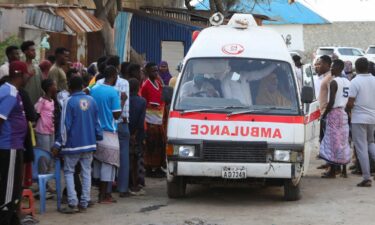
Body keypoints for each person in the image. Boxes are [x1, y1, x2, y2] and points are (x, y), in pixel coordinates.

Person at [53, 76, 102, 213]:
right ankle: (84, 202)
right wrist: (97, 137)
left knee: (69, 171)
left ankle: (72, 202)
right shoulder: (91, 101)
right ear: (82, 86)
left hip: (73, 144)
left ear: (69, 87)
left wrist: (58, 144)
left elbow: (64, 126)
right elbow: (97, 122)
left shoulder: (68, 102)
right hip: (89, 143)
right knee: (86, 172)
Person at [94, 56, 130, 197]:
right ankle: (121, 189)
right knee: (117, 159)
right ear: (115, 73)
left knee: (101, 159)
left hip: (98, 127)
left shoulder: (97, 85)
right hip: (116, 125)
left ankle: (105, 190)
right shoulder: (120, 86)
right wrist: (122, 101)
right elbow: (119, 113)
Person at [0, 61, 28, 225]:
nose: (28, 78)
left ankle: (12, 220)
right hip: (9, 146)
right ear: (20, 75)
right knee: (9, 190)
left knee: (13, 188)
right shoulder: (10, 92)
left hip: (13, 145)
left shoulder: (8, 90)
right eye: (26, 75)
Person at [90, 66, 121, 203]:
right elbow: (116, 114)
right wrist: (123, 100)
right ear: (114, 76)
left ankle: (101, 193)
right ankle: (104, 195)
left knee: (97, 162)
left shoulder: (94, 89)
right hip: (109, 131)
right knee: (109, 164)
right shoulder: (113, 92)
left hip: (95, 131)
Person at [319, 59, 351, 178]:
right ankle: (343, 170)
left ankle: (332, 171)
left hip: (334, 114)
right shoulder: (348, 82)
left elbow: (331, 102)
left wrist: (324, 114)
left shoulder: (334, 82)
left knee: (333, 142)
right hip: (343, 113)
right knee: (342, 141)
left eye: (333, 67)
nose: (331, 69)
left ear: (338, 68)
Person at [347, 57, 375, 187]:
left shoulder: (355, 81)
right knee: (370, 143)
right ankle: (367, 175)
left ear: (356, 67)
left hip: (359, 118)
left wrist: (347, 110)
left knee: (361, 147)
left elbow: (351, 102)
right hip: (372, 118)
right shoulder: (374, 80)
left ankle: (366, 177)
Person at [141, 62, 166, 177]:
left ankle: (158, 166)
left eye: (157, 70)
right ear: (147, 72)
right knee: (151, 145)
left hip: (159, 119)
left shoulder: (158, 83)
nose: (156, 73)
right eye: (153, 71)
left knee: (159, 144)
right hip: (150, 120)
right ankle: (150, 168)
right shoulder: (145, 85)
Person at [128, 78, 146, 194]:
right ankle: (136, 184)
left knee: (128, 159)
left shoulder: (124, 99)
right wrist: (135, 134)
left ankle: (128, 183)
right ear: (139, 87)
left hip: (126, 132)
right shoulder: (142, 101)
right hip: (137, 134)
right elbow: (140, 121)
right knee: (137, 159)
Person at [35, 79, 57, 173]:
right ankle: (42, 178)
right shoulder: (42, 100)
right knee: (44, 154)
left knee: (51, 152)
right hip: (43, 130)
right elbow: (36, 112)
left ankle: (48, 176)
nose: (56, 87)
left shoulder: (52, 100)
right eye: (54, 85)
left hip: (51, 130)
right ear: (49, 88)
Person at [21, 41, 43, 105]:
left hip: (38, 103)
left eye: (34, 50)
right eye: (32, 50)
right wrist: (29, 75)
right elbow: (20, 85)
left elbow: (42, 83)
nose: (34, 52)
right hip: (26, 103)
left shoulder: (37, 67)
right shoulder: (22, 66)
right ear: (25, 52)